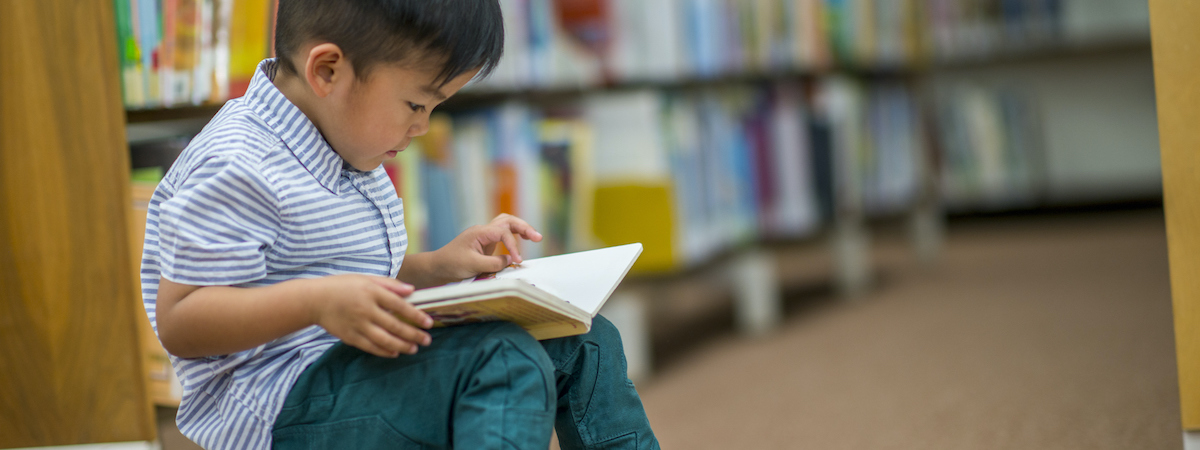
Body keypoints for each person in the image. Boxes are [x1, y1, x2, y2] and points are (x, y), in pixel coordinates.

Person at [140, 0, 659, 448]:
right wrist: (318, 302)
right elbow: (182, 320)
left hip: (358, 365)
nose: (422, 126)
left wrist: (434, 268)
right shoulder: (238, 164)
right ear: (327, 71)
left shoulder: (341, 139)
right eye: (416, 103)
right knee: (502, 361)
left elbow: (334, 268)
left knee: (584, 339)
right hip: (279, 408)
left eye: (435, 107)